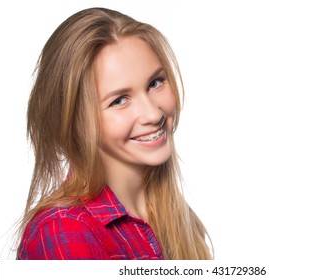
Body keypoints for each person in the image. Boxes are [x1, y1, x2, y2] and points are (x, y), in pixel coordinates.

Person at [17, 7, 212, 260]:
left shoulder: (174, 217)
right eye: (119, 100)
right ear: (76, 121)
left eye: (155, 83)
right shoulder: (63, 230)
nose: (153, 114)